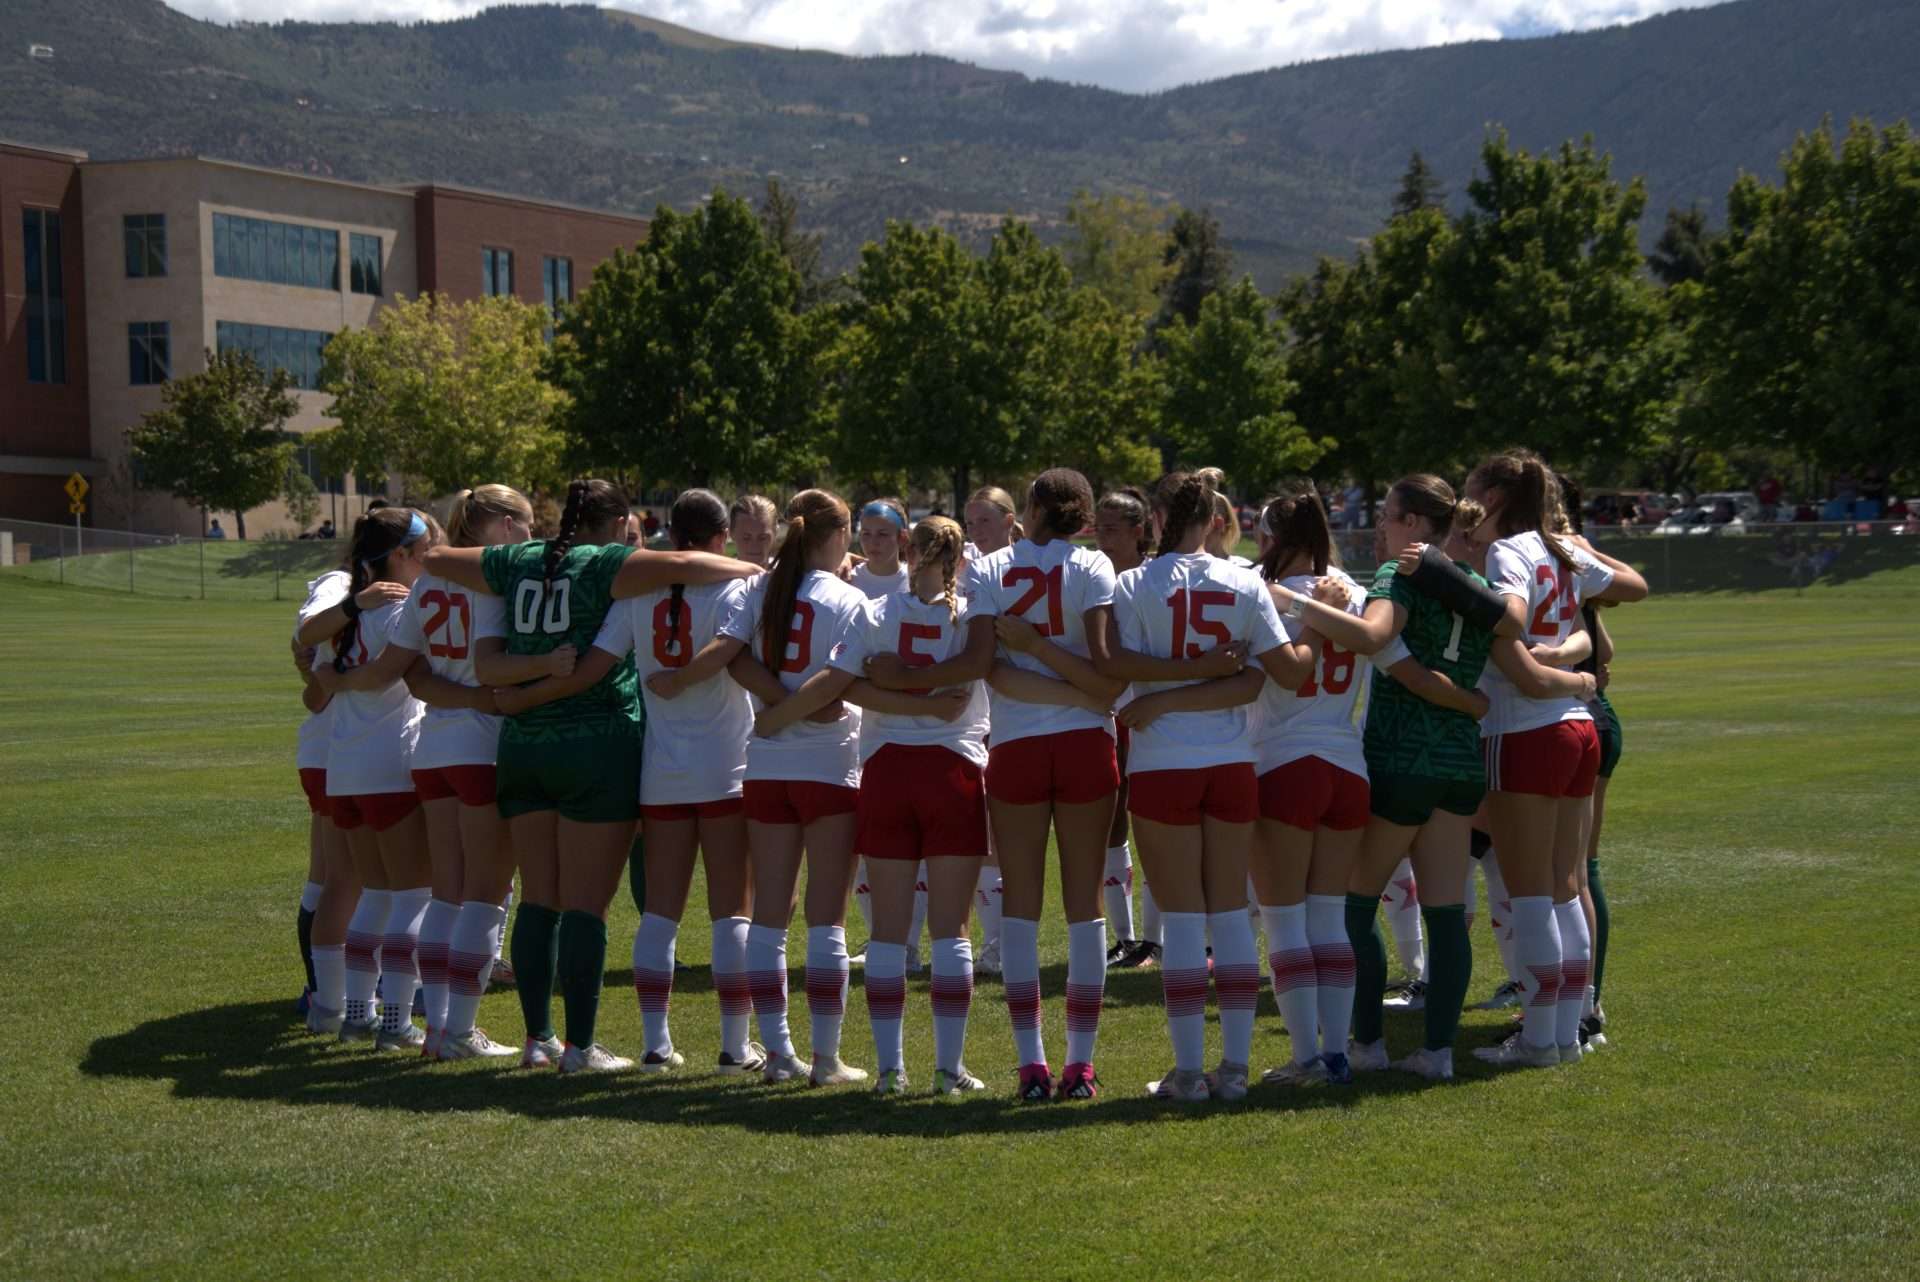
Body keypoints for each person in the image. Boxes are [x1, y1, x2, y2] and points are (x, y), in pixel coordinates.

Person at [424, 478, 760, 1074]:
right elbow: (682, 561)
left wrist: (521, 696)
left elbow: (439, 557)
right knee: (586, 907)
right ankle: (580, 1047)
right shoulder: (607, 562)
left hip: (524, 746)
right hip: (594, 744)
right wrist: (750, 567)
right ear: (618, 521)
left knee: (536, 900)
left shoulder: (519, 558)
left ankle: (538, 1038)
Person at [1100, 470, 1310, 1102]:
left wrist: (1165, 699)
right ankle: (1236, 1070)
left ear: (1161, 520)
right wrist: (1197, 680)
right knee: (1229, 914)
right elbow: (1262, 680)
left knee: (1185, 920)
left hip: (1164, 762)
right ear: (1214, 520)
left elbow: (1119, 665)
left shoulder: (1135, 582)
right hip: (1230, 761)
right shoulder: (1247, 580)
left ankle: (1190, 1072)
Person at [317, 486, 536, 1060]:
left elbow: (407, 675)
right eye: (527, 525)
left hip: (432, 750)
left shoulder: (429, 584)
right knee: (484, 896)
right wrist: (487, 700)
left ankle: (433, 1025)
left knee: (441, 897)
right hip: (481, 748)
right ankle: (455, 1029)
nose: (532, 537)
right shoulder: (499, 577)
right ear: (505, 526)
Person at [921, 469, 1116, 1101]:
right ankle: (1079, 1065)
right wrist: (1075, 687)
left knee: (1022, 908)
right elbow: (1103, 679)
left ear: (1029, 509)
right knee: (1085, 908)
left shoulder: (991, 568)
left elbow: (990, 670)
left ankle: (1032, 1064)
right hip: (1087, 741)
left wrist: (1037, 655)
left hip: (1018, 745)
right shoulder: (1093, 567)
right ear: (1082, 514)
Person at [567, 489, 766, 1076]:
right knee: (732, 914)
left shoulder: (637, 589)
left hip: (662, 774)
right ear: (722, 536)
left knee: (661, 914)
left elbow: (594, 669)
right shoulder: (737, 584)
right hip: (727, 771)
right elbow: (730, 652)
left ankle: (656, 1044)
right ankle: (735, 1047)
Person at [1462, 450, 1647, 1068]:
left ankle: (1540, 1040)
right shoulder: (1561, 549)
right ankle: (1566, 1034)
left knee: (1532, 895)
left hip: (1525, 731)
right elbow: (1598, 622)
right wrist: (1570, 655)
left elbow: (1510, 620)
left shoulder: (1506, 553)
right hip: (1576, 731)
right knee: (1566, 892)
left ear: (1492, 498)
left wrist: (1538, 659)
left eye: (1471, 492)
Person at [716, 489, 884, 1085]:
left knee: (768, 917)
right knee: (827, 920)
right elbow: (841, 678)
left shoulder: (756, 588)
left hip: (765, 766)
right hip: (829, 766)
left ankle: (780, 1054)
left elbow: (732, 660)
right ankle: (826, 1058)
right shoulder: (849, 597)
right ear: (835, 536)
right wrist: (794, 708)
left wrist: (777, 708)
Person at [832, 516, 991, 1094]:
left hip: (887, 770)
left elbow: (845, 684)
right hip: (953, 770)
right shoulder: (971, 613)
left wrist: (897, 693)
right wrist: (928, 703)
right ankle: (949, 1071)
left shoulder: (876, 610)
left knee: (889, 936)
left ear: (909, 548)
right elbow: (971, 676)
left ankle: (889, 1071)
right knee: (951, 933)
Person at [1246, 488, 1372, 1086]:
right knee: (1329, 920)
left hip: (1284, 762)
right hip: (1347, 763)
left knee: (1284, 921)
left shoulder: (1264, 594)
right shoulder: (1353, 591)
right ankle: (1337, 1054)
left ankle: (1304, 1059)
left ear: (1275, 539)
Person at [303, 508, 441, 1051]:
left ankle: (356, 1013)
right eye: (425, 551)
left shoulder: (346, 614)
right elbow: (394, 672)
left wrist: (342, 680)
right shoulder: (400, 607)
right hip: (391, 765)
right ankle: (395, 1023)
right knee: (412, 895)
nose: (431, 561)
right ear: (401, 556)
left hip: (345, 770)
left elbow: (316, 667)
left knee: (375, 897)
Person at [846, 497, 925, 971]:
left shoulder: (911, 584)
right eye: (866, 533)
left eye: (883, 534)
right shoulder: (848, 580)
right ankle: (882, 939)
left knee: (912, 846)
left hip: (907, 722)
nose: (872, 542)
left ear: (902, 538)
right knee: (866, 845)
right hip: (860, 719)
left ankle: (907, 943)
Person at [959, 484, 1024, 974]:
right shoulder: (964, 568)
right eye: (970, 522)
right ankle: (994, 942)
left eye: (984, 521)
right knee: (980, 834)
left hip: (1013, 709)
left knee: (1005, 837)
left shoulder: (1019, 569)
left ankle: (1006, 941)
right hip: (973, 712)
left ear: (1009, 521)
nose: (975, 531)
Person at [1090, 488, 1156, 968]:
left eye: (1112, 528)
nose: (1102, 536)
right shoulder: (1089, 574)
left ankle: (1153, 940)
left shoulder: (1151, 578)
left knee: (1154, 824)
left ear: (1139, 531)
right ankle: (1125, 937)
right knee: (1110, 824)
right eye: (1099, 526)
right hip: (1099, 710)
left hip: (1150, 711)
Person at [729, 495, 779, 569]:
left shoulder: (791, 575)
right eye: (746, 538)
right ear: (731, 533)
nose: (754, 546)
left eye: (762, 538)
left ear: (775, 533)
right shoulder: (716, 578)